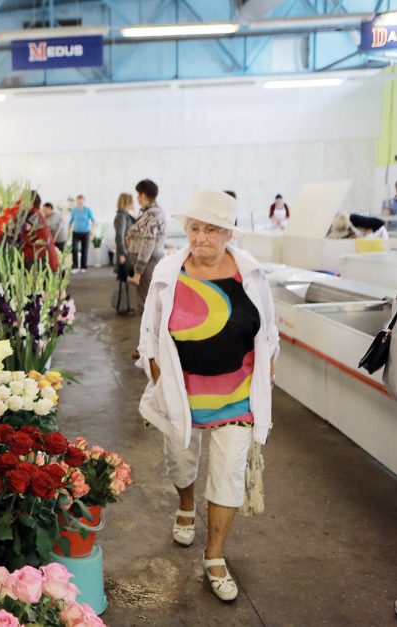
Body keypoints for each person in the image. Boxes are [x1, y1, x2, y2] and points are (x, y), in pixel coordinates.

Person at [137, 190, 279, 603]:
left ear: (229, 232)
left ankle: (215, 556)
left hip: (238, 397)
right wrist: (161, 384)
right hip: (183, 394)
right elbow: (150, 336)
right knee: (181, 461)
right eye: (195, 228)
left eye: (212, 229)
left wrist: (267, 378)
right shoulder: (168, 272)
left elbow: (266, 330)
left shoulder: (251, 273)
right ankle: (185, 504)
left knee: (229, 474)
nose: (202, 238)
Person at [127, 179, 166, 313]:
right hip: (146, 263)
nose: (137, 198)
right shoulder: (147, 212)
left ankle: (148, 333)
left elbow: (148, 242)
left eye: (138, 194)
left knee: (146, 305)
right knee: (145, 302)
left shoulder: (152, 213)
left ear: (143, 195)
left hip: (147, 263)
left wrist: (138, 272)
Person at [113, 193, 136, 314]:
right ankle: (122, 307)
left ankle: (124, 306)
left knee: (124, 279)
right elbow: (119, 236)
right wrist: (122, 254)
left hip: (127, 251)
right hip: (124, 252)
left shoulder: (125, 216)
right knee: (123, 279)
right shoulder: (121, 217)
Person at [69, 194, 96, 274]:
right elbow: (70, 222)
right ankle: (75, 267)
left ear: (84, 201)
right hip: (76, 232)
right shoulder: (74, 210)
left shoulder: (88, 210)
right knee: (74, 249)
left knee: (85, 250)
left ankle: (83, 267)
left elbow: (93, 220)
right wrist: (68, 231)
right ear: (77, 201)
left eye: (81, 201)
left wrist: (92, 230)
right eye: (79, 201)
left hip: (85, 232)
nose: (80, 203)